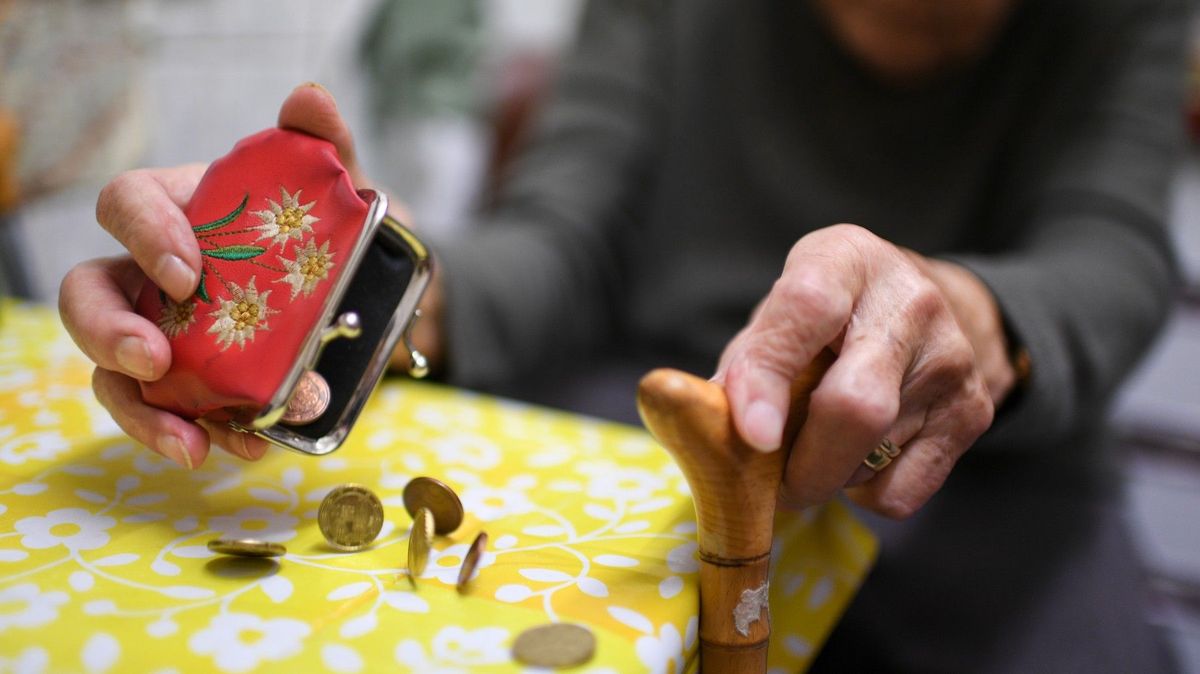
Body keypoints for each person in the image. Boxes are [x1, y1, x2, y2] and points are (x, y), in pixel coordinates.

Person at [59, 0, 1189, 670]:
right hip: (652, 437)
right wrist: (334, 292)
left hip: (993, 486)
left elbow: (1111, 255)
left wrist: (962, 320)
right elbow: (561, 239)